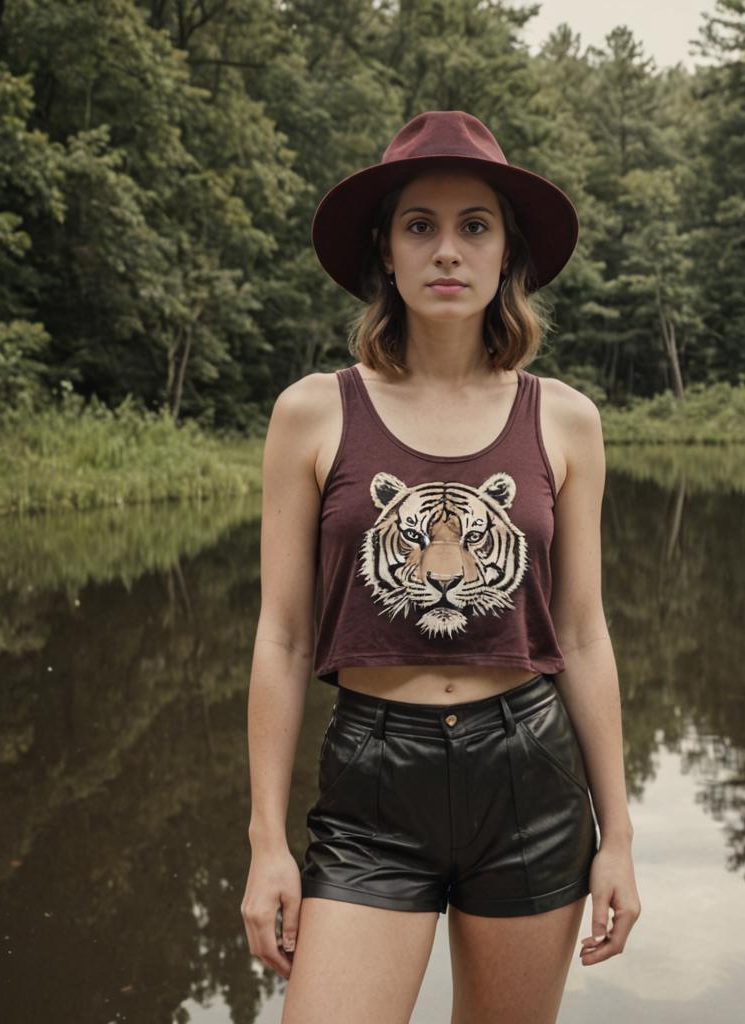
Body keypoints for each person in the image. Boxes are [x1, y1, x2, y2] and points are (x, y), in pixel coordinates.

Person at [242, 110, 640, 1024]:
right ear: (386, 251)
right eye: (420, 225)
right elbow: (283, 634)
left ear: (508, 255)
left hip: (531, 778)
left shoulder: (566, 419)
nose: (447, 251)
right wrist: (268, 842)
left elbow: (581, 633)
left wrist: (617, 835)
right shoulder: (313, 412)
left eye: (475, 226)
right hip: (371, 782)